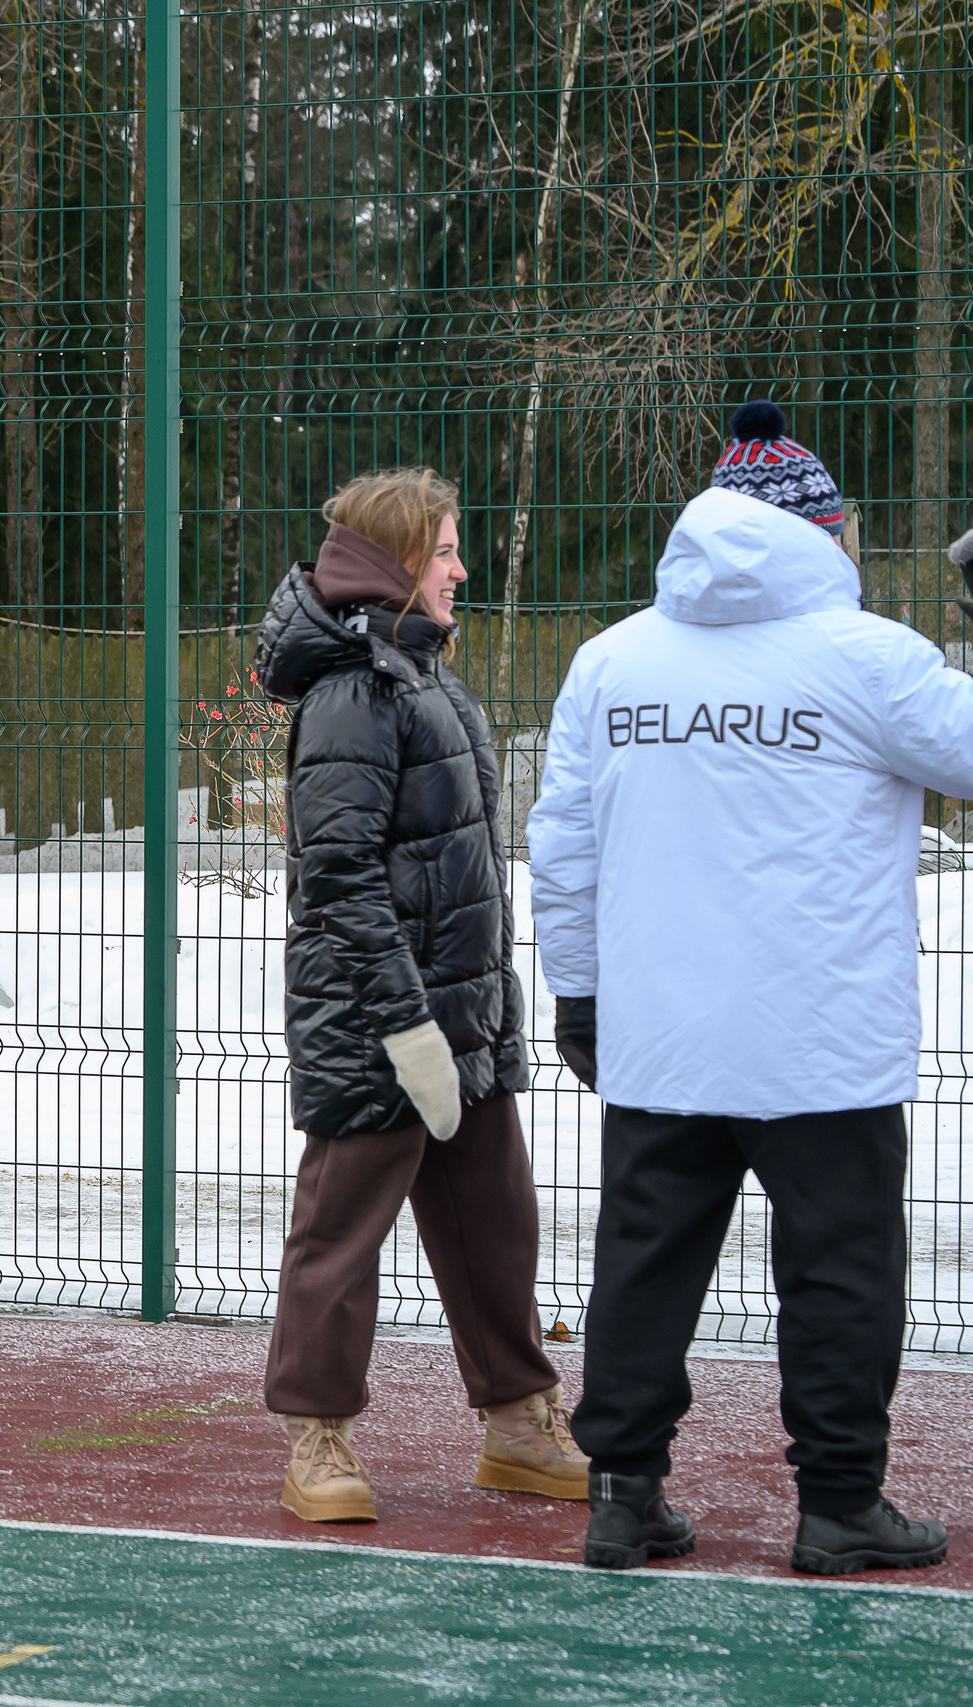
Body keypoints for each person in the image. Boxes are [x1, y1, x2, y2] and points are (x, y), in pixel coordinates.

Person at [531, 401, 967, 1575]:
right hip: (822, 1037)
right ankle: (838, 1505)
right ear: (826, 535)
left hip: (658, 1029)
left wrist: (576, 990)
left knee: (642, 1260)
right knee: (839, 1273)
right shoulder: (868, 657)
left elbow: (560, 840)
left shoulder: (611, 660)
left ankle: (623, 1496)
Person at [253, 467, 582, 1524]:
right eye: (444, 550)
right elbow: (336, 880)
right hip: (380, 1028)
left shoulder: (423, 675)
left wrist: (476, 1021)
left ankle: (520, 1426)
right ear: (399, 564)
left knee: (494, 1223)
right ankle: (317, 1438)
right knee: (340, 1237)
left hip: (463, 1025)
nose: (460, 567)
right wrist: (403, 1028)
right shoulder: (354, 692)